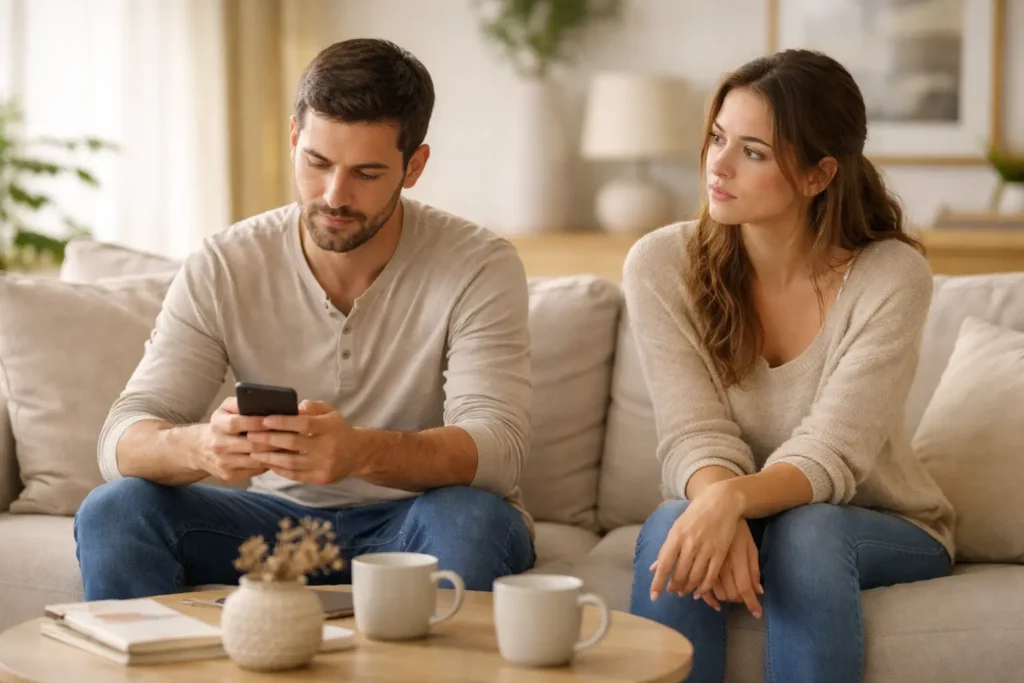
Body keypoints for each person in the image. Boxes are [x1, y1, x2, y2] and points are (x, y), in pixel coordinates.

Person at [74, 38, 536, 600]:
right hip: (270, 524)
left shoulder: (477, 264)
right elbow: (121, 440)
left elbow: (499, 451)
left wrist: (361, 451)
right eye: (317, 163)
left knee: (472, 517)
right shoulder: (225, 263)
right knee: (116, 510)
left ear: (414, 166)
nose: (334, 196)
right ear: (294, 138)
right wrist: (202, 447)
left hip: (417, 520)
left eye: (367, 173)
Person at [624, 49, 955, 683]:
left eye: (753, 151)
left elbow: (834, 452)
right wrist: (722, 504)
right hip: (740, 499)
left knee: (806, 534)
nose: (716, 166)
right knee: (675, 521)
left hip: (880, 521)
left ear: (817, 174)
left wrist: (731, 503)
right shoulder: (660, 265)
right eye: (718, 137)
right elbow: (693, 434)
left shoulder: (890, 276)